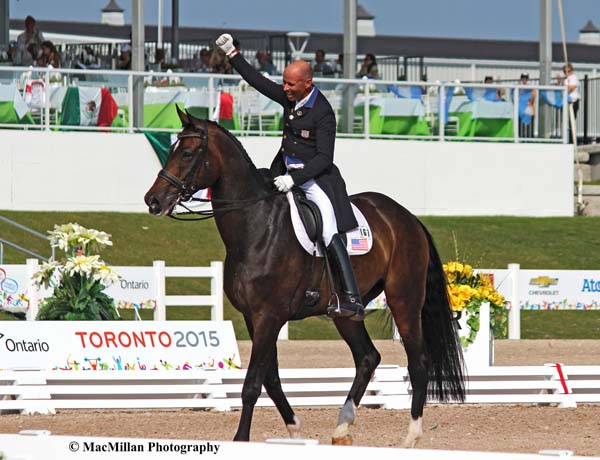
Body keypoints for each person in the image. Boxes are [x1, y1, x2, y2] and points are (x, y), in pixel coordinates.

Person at [216, 33, 365, 321]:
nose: (284, 88)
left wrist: (295, 180)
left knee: (328, 228)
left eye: (290, 84)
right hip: (282, 171)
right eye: (284, 82)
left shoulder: (323, 112)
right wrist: (232, 54)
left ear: (308, 83)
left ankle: (350, 298)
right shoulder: (289, 98)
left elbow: (324, 158)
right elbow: (259, 82)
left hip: (315, 179)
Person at [557, 63, 580, 143]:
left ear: (571, 71)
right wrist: (560, 81)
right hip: (566, 102)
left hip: (573, 102)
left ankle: (572, 141)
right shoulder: (566, 79)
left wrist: (564, 86)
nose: (567, 73)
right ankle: (565, 139)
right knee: (565, 121)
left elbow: (570, 89)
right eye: (565, 71)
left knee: (571, 122)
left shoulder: (573, 78)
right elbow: (560, 89)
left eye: (568, 71)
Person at [518, 72, 536, 138]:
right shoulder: (518, 87)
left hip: (528, 107)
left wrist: (530, 103)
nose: (524, 79)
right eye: (523, 78)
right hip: (520, 109)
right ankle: (519, 137)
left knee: (530, 124)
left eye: (526, 78)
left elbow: (533, 96)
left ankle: (530, 137)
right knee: (520, 124)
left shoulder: (530, 87)